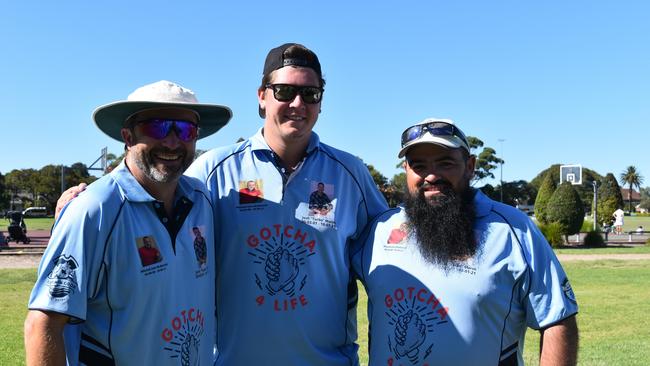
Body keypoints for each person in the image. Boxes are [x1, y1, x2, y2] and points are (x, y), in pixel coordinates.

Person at [184, 43, 388, 364]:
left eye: (310, 94)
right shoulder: (213, 171)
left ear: (321, 101)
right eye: (284, 91)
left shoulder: (351, 174)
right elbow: (157, 218)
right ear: (262, 96)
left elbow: (396, 256)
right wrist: (82, 199)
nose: (298, 103)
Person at [24, 80, 231, 365]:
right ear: (128, 137)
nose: (172, 142)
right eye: (157, 127)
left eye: (185, 130)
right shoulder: (94, 209)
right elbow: (43, 324)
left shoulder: (203, 199)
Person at [352, 118, 579, 365]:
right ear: (406, 170)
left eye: (445, 163)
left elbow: (557, 319)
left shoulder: (513, 229)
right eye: (419, 165)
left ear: (470, 166)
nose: (431, 176)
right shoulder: (379, 230)